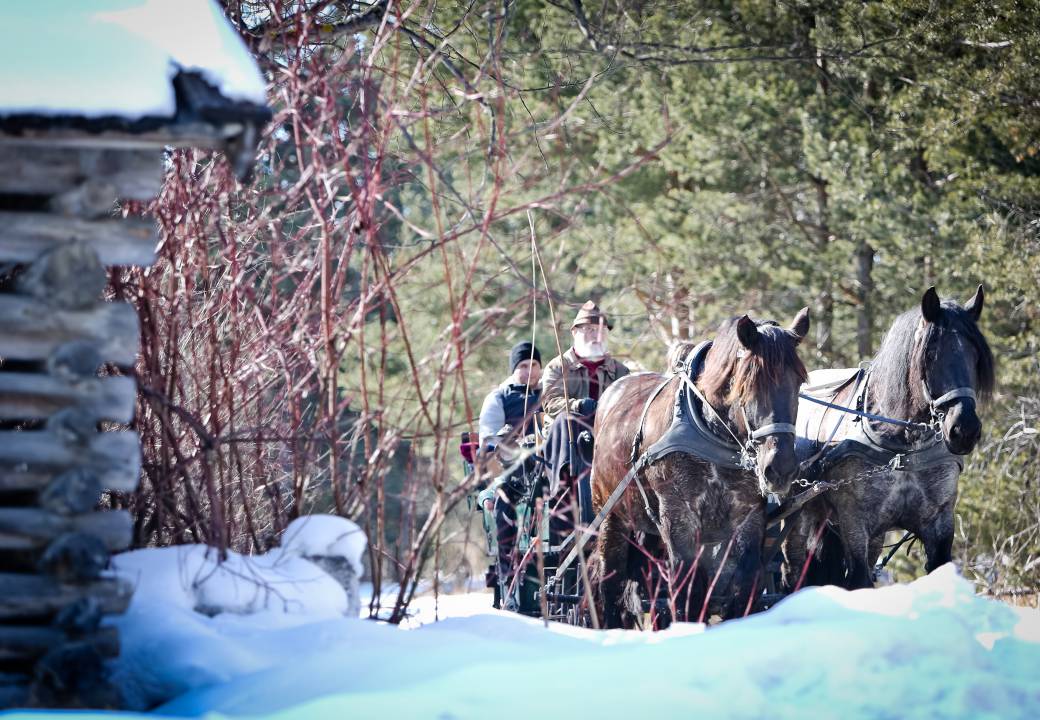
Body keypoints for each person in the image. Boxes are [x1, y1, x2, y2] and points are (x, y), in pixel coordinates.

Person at [540, 301, 629, 537]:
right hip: (567, 440)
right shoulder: (558, 367)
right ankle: (562, 495)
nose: (594, 335)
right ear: (575, 333)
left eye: (599, 330)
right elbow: (550, 403)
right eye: (588, 330)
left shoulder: (621, 372)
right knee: (568, 422)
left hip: (608, 438)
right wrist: (578, 405)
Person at [474, 341, 542, 608]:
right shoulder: (499, 397)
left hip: (550, 464)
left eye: (534, 365)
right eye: (523, 366)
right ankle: (507, 568)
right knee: (501, 497)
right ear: (514, 369)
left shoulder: (551, 392)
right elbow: (488, 440)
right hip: (512, 469)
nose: (529, 371)